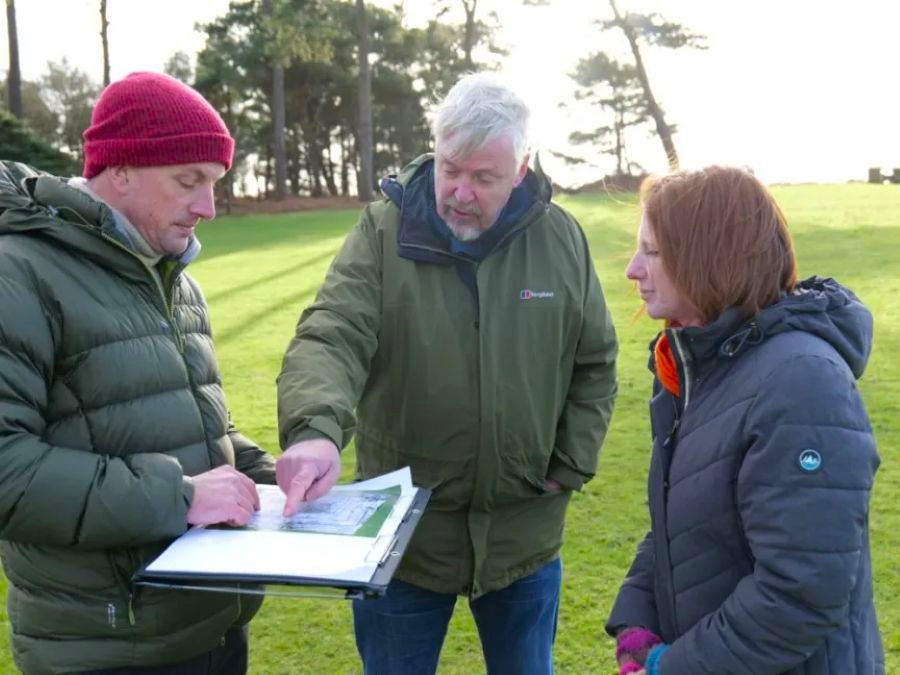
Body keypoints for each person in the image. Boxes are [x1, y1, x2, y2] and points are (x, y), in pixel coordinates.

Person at [276, 73, 618, 674]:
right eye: (450, 168)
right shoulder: (381, 232)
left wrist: (571, 462)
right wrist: (314, 429)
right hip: (404, 540)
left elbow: (595, 361)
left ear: (522, 168)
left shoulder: (561, 238)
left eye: (484, 177)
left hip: (524, 537)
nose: (460, 192)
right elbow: (332, 332)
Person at [0, 72, 276, 675]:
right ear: (120, 170)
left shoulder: (175, 280)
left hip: (210, 628)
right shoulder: (17, 274)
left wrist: (279, 482)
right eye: (189, 181)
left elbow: (196, 424)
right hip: (106, 648)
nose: (207, 206)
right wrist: (178, 497)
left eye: (214, 183)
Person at [607, 166, 884, 675]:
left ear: (708, 258)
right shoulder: (693, 364)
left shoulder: (801, 383)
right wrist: (636, 623)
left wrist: (673, 666)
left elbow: (799, 592)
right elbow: (679, 523)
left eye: (652, 251)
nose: (631, 269)